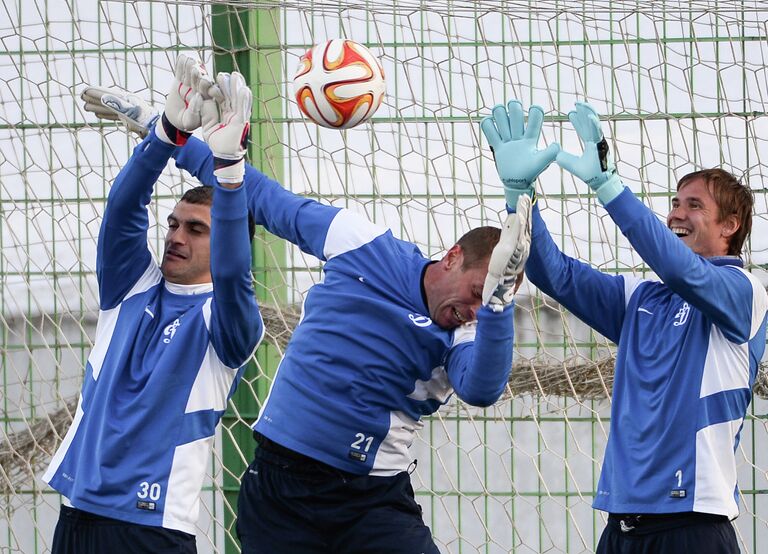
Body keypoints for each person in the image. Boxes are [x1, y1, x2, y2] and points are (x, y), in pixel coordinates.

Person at [83, 75, 558, 552]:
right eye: (478, 291)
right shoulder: (365, 246)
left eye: (487, 302)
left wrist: (496, 307)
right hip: (280, 489)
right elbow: (265, 199)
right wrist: (159, 129)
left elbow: (481, 388)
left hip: (372, 503)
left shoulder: (472, 329)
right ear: (453, 256)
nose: (473, 310)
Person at [481, 100, 768, 553]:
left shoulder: (745, 292)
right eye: (674, 203)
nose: (676, 214)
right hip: (622, 526)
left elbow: (681, 272)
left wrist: (607, 186)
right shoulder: (643, 298)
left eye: (694, 205)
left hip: (693, 523)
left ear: (730, 225)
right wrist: (520, 194)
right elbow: (553, 274)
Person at [43, 56, 263, 553]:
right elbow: (122, 211)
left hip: (149, 528)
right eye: (174, 224)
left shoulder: (226, 322)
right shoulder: (131, 287)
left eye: (196, 229)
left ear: (227, 241)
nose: (176, 236)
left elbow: (232, 273)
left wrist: (229, 170)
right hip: (76, 513)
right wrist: (164, 135)